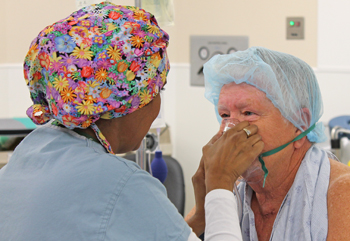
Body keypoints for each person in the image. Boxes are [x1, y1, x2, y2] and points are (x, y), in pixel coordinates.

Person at [0, 3, 264, 241]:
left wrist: (198, 220)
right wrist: (220, 183)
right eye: (158, 89)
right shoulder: (119, 184)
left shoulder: (31, 153)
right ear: (128, 103)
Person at [187, 46, 350, 241]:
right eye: (224, 115)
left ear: (300, 125)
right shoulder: (228, 187)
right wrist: (202, 215)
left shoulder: (340, 193)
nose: (229, 132)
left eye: (248, 113)